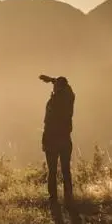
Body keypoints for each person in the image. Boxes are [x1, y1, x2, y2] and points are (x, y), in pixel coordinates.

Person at [40, 74, 75, 204]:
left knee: (52, 171)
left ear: (57, 88)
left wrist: (44, 141)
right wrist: (53, 80)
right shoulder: (69, 99)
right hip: (65, 139)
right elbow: (68, 89)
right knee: (65, 170)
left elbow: (47, 124)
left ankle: (53, 198)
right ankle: (68, 196)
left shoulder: (54, 102)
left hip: (52, 140)